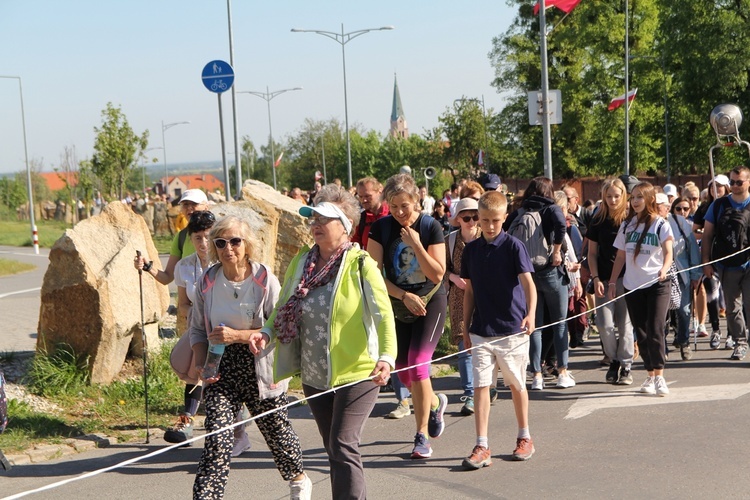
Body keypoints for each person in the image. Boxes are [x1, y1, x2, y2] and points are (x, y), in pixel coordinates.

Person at [254, 185, 396, 500]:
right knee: (333, 447)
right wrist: (266, 332)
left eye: (325, 218)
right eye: (313, 217)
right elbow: (283, 306)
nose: (316, 224)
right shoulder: (301, 262)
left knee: (343, 443)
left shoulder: (360, 264)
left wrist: (386, 357)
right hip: (315, 374)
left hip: (359, 371)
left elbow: (384, 315)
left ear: (345, 227)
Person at [189, 216, 311, 499]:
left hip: (259, 363)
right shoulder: (207, 281)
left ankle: (298, 478)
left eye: (235, 241)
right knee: (217, 439)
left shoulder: (263, 278)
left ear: (247, 244)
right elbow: (196, 329)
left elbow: (280, 325)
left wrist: (238, 336)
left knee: (276, 431)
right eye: (220, 242)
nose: (228, 248)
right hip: (220, 367)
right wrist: (200, 363)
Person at [367, 173, 448, 459]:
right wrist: (403, 296)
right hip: (399, 302)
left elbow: (438, 273)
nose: (400, 212)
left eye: (405, 205)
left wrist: (415, 244)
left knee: (418, 364)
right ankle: (436, 402)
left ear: (416, 201)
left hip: (430, 301)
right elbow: (373, 275)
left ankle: (421, 435)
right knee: (402, 368)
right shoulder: (380, 228)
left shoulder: (430, 227)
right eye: (394, 206)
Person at [460, 190, 537, 469]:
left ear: (505, 217)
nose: (490, 225)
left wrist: (530, 314)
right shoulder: (471, 251)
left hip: (512, 329)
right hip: (481, 329)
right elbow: (469, 290)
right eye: (484, 220)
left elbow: (529, 284)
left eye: (495, 220)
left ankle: (524, 436)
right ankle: (482, 444)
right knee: (481, 386)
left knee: (516, 384)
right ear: (477, 220)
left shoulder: (514, 247)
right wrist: (465, 327)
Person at [134, 188, 209, 443]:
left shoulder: (221, 234)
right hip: (196, 318)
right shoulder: (180, 237)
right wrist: (147, 267)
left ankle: (228, 415)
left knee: (211, 372)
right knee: (193, 368)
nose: (189, 209)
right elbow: (169, 277)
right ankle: (187, 420)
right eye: (185, 205)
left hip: (223, 319)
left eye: (194, 204)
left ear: (207, 205)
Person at [504, 177, 572, 390]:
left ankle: (536, 375)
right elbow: (561, 226)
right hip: (550, 271)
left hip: (527, 276)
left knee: (536, 327)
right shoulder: (551, 209)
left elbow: (505, 229)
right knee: (560, 323)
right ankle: (562, 372)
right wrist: (557, 250)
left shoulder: (521, 211)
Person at [608, 182, 674, 397]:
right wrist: (611, 282)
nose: (635, 201)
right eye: (633, 197)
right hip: (632, 284)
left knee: (656, 330)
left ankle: (660, 376)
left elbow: (668, 253)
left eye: (639, 197)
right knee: (642, 333)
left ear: (649, 199)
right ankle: (650, 374)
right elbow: (619, 257)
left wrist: (664, 269)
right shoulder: (627, 225)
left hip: (657, 284)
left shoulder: (661, 225)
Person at [587, 178, 634, 384]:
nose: (613, 200)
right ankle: (613, 359)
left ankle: (626, 366)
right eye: (609, 196)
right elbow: (591, 253)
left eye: (617, 195)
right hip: (604, 279)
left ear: (624, 195)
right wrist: (595, 277)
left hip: (628, 279)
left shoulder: (632, 219)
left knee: (625, 325)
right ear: (603, 197)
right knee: (605, 324)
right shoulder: (598, 220)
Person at [701, 166, 750, 361]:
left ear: (748, 182)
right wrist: (706, 261)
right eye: (732, 182)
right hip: (727, 264)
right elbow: (707, 236)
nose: (735, 186)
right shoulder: (719, 205)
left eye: (740, 182)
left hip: (748, 264)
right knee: (732, 306)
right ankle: (740, 342)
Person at [445, 198, 482, 415]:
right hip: (459, 299)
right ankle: (469, 394)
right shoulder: (449, 241)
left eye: (475, 217)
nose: (472, 222)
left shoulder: (486, 238)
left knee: (486, 344)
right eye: (466, 217)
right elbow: (440, 271)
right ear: (458, 219)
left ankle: (488, 387)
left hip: (484, 297)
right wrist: (453, 277)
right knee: (464, 345)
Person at [692, 174, 730, 347]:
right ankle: (716, 330)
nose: (717, 189)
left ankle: (732, 333)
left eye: (720, 186)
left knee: (732, 298)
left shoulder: (733, 205)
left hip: (732, 258)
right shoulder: (705, 208)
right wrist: (709, 235)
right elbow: (695, 231)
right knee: (712, 296)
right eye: (713, 186)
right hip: (712, 257)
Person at [666, 196, 701, 360]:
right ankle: (660, 344)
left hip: (682, 273)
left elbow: (693, 250)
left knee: (684, 310)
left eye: (685, 209)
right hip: (661, 274)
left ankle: (684, 341)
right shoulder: (655, 223)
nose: (681, 212)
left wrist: (695, 274)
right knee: (662, 312)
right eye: (678, 208)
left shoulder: (685, 226)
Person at [352, 177, 389, 251]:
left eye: (368, 196)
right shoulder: (360, 219)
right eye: (360, 196)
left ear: (379, 193)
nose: (364, 200)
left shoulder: (392, 214)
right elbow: (355, 247)